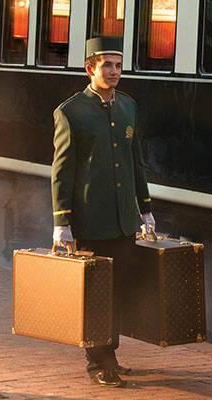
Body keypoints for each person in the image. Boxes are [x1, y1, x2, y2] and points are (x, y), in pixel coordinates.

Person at [50, 36, 157, 388]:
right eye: (106, 65)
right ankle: (97, 364)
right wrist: (61, 221)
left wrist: (146, 210)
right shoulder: (70, 111)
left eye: (117, 65)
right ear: (90, 68)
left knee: (119, 290)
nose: (113, 72)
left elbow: (135, 162)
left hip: (124, 218)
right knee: (98, 294)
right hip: (91, 219)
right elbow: (62, 170)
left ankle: (110, 353)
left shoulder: (128, 107)